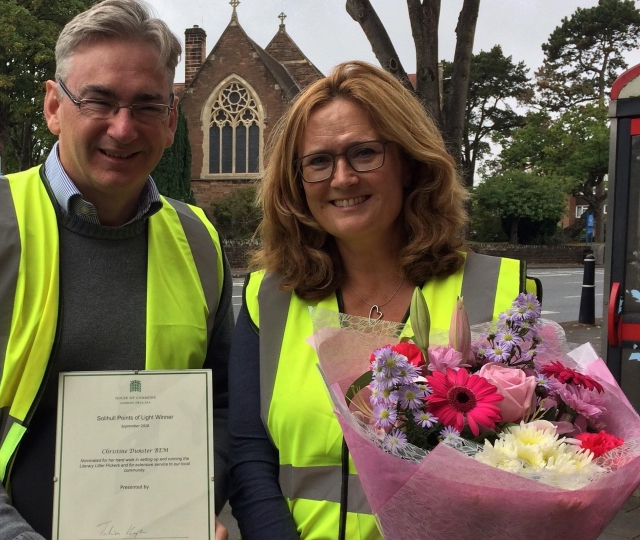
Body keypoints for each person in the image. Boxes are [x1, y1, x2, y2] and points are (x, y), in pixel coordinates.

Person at [0, 1, 232, 538]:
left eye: (148, 105)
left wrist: (185, 513)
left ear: (173, 121)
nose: (124, 127)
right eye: (99, 100)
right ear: (53, 106)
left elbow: (222, 408)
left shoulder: (199, 242)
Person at [228, 61, 539, 540]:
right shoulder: (266, 299)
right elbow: (251, 456)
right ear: (296, 181)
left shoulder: (500, 293)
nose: (343, 178)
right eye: (318, 161)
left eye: (364, 153)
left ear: (410, 162)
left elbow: (532, 465)